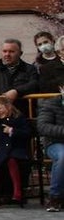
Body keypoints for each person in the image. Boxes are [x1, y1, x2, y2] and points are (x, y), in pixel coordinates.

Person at [0, 96, 29, 209]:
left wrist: (12, 131)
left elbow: (27, 133)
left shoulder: (18, 118)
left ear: (7, 106)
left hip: (16, 148)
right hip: (0, 150)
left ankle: (17, 191)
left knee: (11, 161)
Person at [0, 39, 39, 103]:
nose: (7, 54)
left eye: (11, 51)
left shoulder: (30, 69)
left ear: (20, 53)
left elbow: (34, 85)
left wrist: (16, 91)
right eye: (4, 51)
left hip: (22, 109)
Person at [37, 84, 64, 212]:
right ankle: (55, 197)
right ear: (61, 88)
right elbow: (43, 127)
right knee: (63, 156)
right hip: (55, 143)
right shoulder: (50, 104)